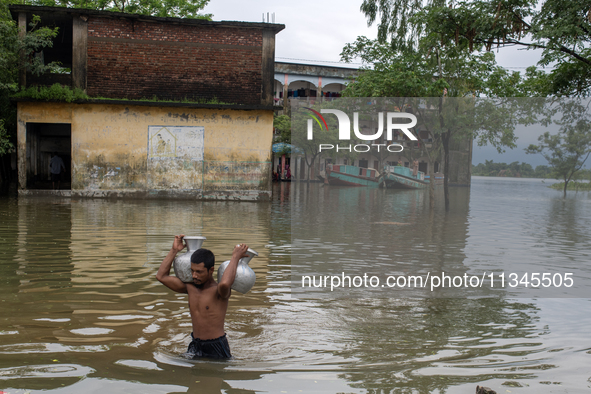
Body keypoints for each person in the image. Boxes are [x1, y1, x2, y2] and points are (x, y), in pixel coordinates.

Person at [156, 235, 249, 359]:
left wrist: (235, 257)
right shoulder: (190, 288)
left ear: (211, 270)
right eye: (192, 271)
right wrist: (174, 250)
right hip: (195, 344)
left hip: (216, 346)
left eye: (199, 272)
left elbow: (226, 283)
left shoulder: (219, 292)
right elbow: (161, 276)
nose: (194, 275)